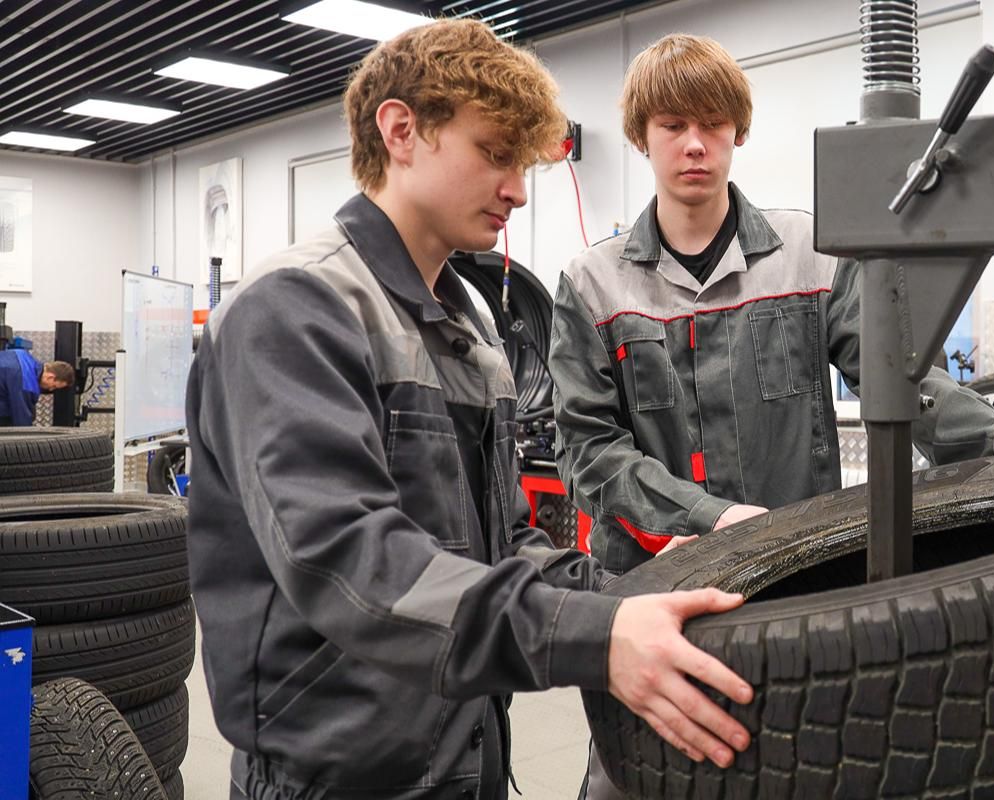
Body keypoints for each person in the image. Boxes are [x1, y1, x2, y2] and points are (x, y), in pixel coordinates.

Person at [185, 20, 753, 800]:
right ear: (401, 131)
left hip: (461, 755)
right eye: (495, 154)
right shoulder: (295, 309)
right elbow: (347, 562)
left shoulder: (468, 331)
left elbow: (504, 546)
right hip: (343, 777)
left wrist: (641, 594)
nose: (518, 188)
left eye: (522, 164)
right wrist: (594, 639)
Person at [551, 33, 994, 577]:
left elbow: (899, 380)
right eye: (673, 125)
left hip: (796, 569)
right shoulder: (592, 282)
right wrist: (706, 516)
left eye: (712, 123)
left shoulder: (811, 253)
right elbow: (587, 449)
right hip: (651, 578)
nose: (695, 144)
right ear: (641, 136)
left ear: (740, 130)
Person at [0, 349, 71, 426]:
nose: (51, 389)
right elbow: (22, 421)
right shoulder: (26, 384)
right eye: (54, 386)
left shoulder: (23, 355)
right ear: (50, 377)